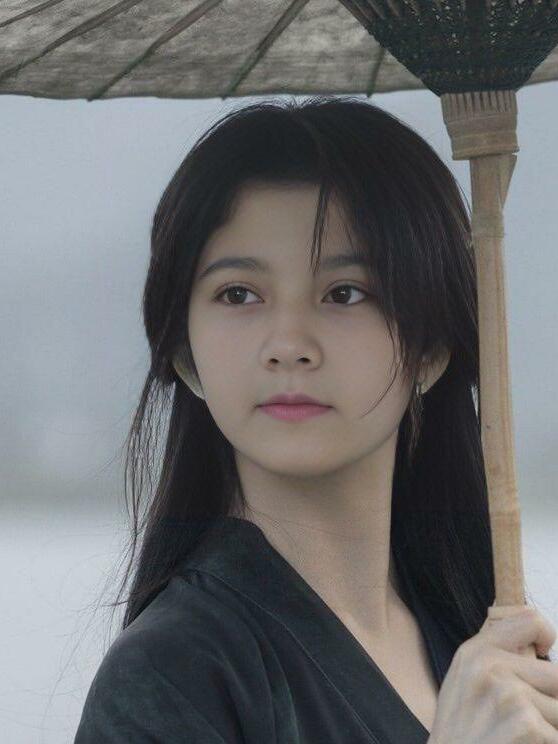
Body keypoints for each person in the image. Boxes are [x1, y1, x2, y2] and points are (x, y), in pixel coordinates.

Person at [73, 95, 549, 744]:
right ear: (186, 355)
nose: (288, 344)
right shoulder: (169, 675)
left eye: (344, 293)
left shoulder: (478, 644)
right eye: (239, 294)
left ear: (432, 350)